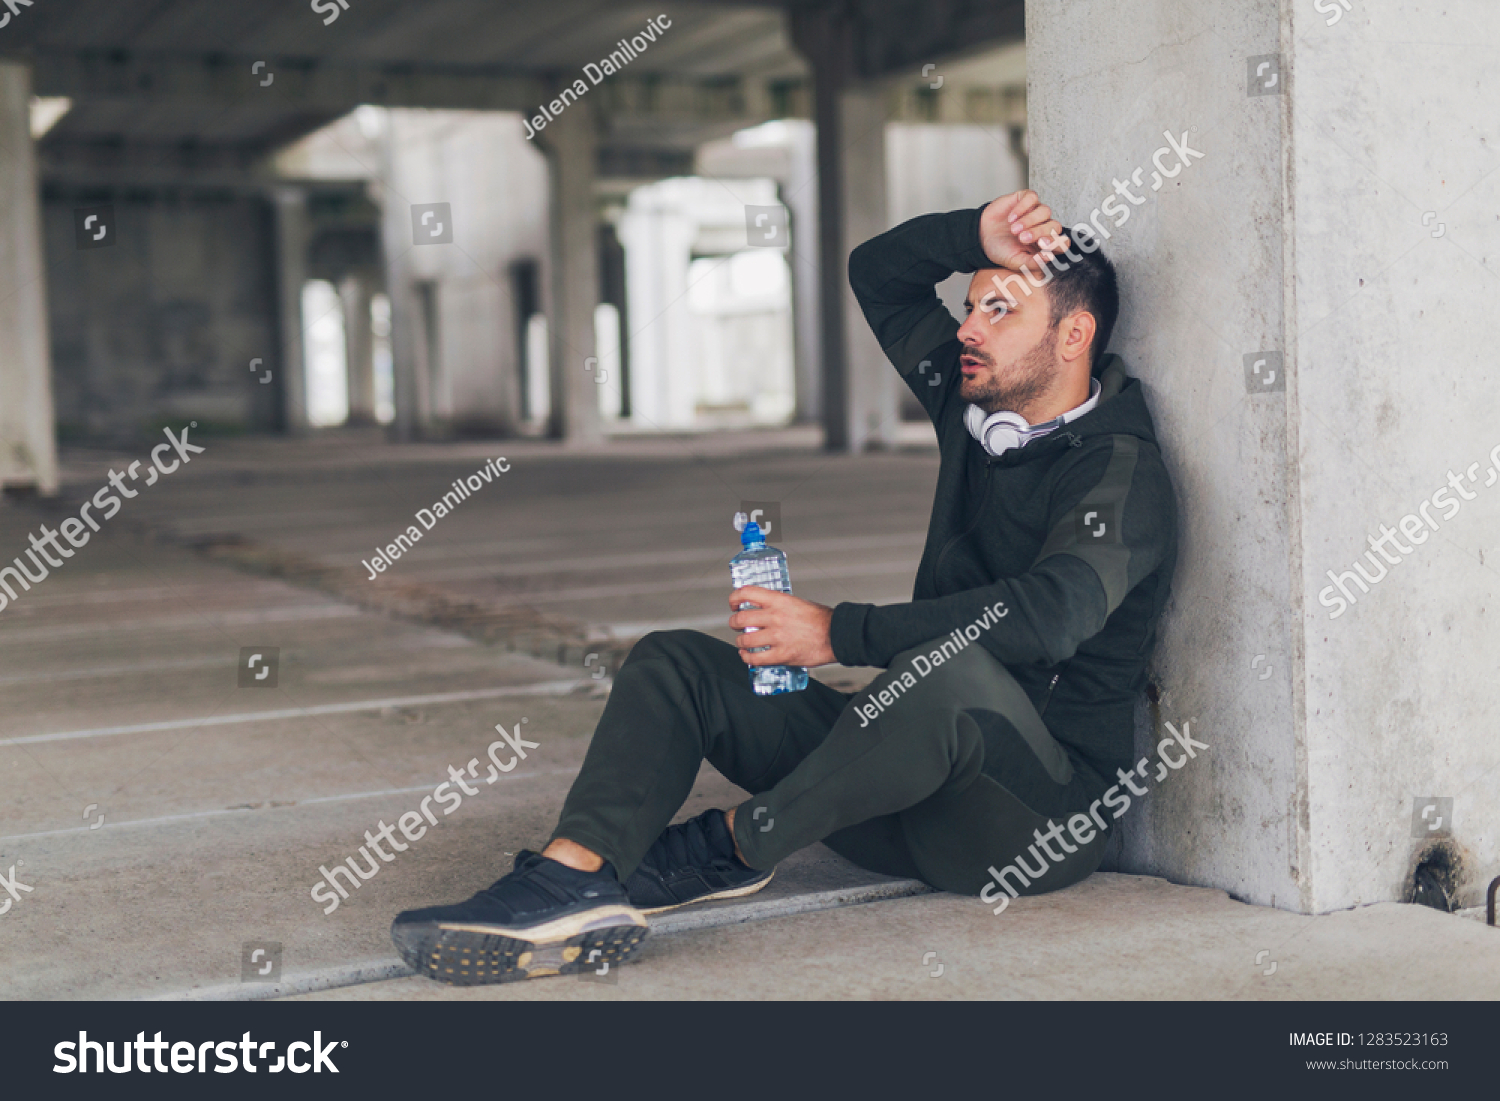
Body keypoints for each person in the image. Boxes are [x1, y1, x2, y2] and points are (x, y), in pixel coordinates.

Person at [390, 190, 1178, 985]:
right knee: (676, 665)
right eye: (971, 305)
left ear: (1073, 335)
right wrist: (973, 232)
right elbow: (877, 274)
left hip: (1026, 824)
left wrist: (840, 632)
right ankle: (571, 878)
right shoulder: (973, 401)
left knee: (950, 672)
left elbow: (1052, 616)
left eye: (999, 310)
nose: (968, 328)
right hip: (893, 794)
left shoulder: (1120, 471)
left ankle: (728, 846)